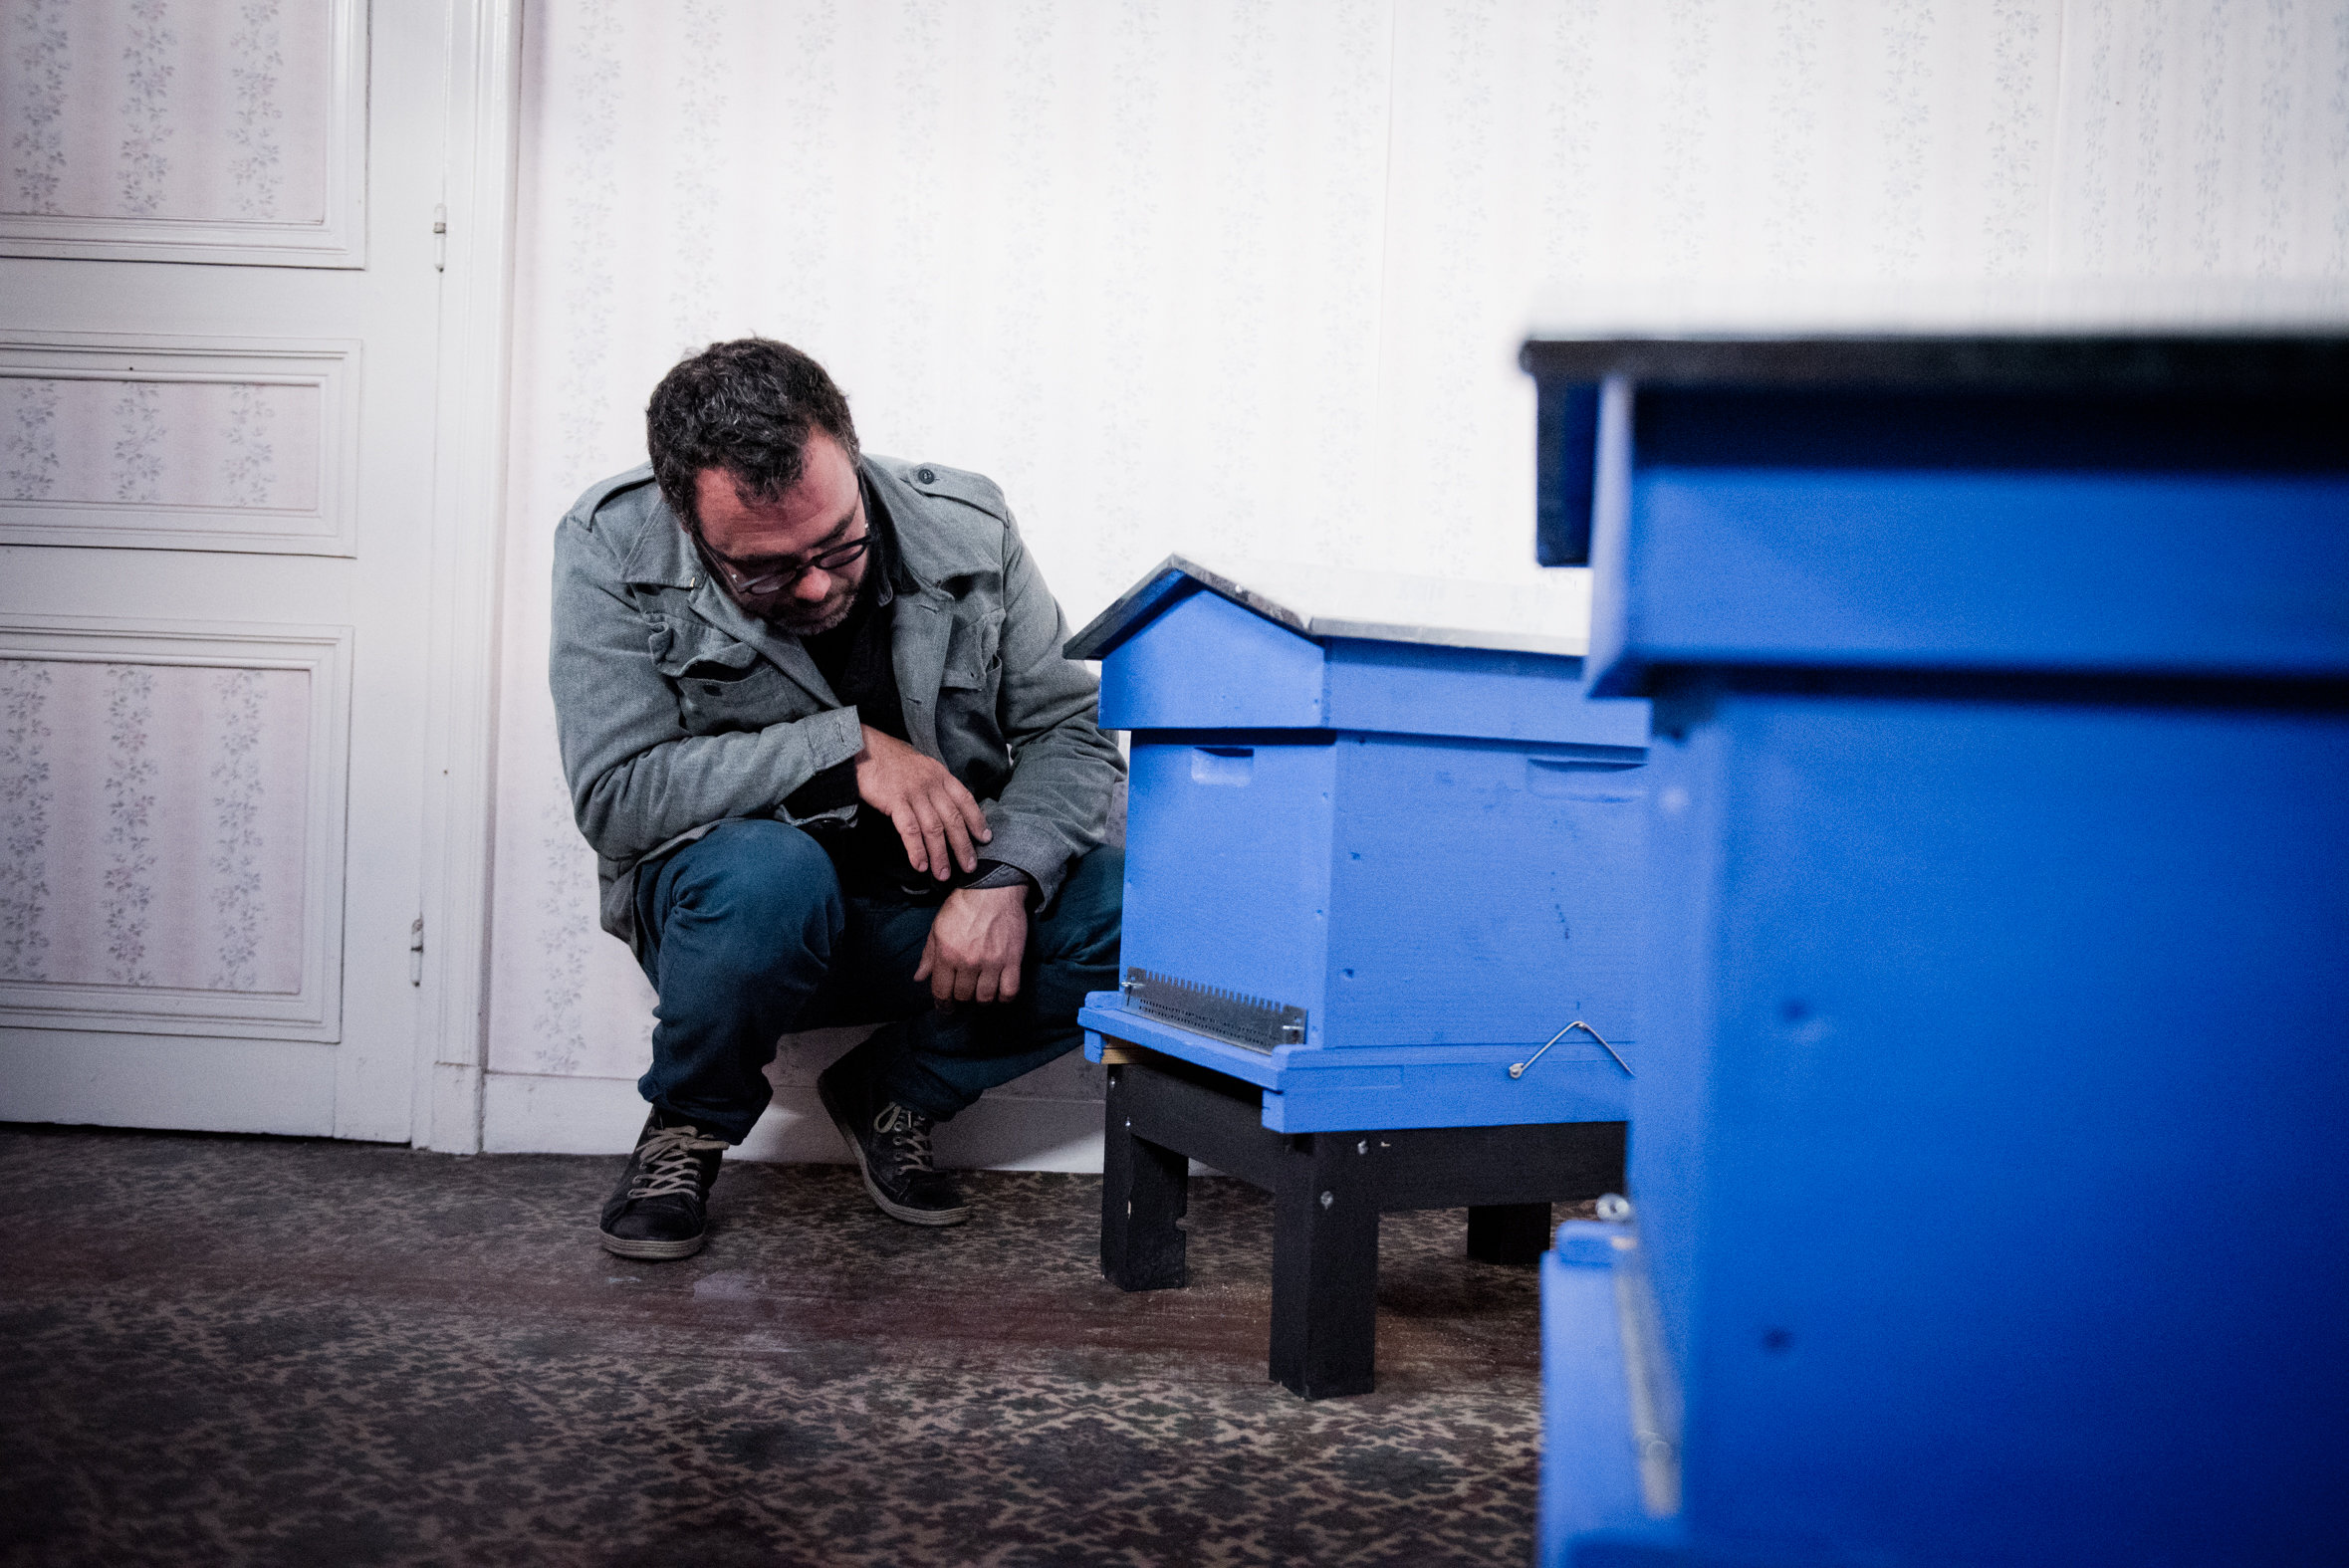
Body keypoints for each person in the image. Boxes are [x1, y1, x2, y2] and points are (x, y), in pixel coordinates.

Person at [549, 337, 1125, 1258]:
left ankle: (895, 1092)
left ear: (851, 459)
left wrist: (1006, 874)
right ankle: (687, 1127)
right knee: (769, 874)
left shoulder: (969, 526)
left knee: (1143, 909)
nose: (817, 585)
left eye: (837, 544)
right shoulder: (609, 544)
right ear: (687, 519)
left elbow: (1072, 727)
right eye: (765, 570)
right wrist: (843, 748)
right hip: (742, 922)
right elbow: (615, 796)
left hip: (932, 920)